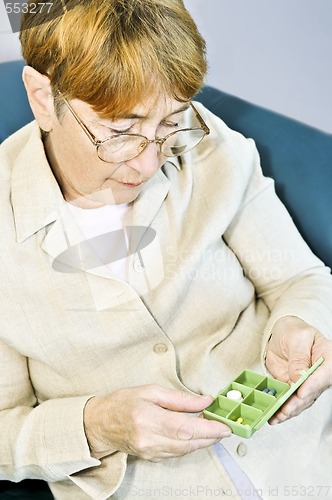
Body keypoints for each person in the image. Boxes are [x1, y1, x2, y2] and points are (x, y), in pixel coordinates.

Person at [0, 0, 331, 498]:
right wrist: (99, 425)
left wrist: (301, 324)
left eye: (171, 124)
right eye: (121, 132)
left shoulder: (209, 144)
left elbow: (300, 280)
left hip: (309, 454)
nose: (151, 162)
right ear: (43, 97)